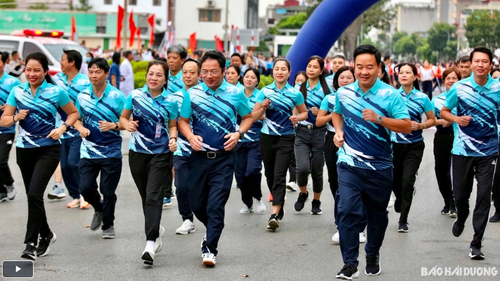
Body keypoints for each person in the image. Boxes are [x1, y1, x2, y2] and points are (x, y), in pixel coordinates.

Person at [332, 45, 411, 279]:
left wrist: (380, 119)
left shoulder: (390, 95)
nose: (364, 71)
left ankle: (372, 254)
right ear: (353, 67)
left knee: (377, 215)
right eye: (359, 67)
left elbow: (406, 125)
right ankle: (349, 263)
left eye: (369, 67)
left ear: (379, 68)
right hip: (349, 163)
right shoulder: (344, 92)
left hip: (380, 166)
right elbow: (337, 112)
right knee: (347, 210)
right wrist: (338, 131)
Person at [0, 52, 79, 260]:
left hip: (49, 148)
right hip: (24, 149)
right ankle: (46, 234)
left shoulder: (56, 92)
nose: (32, 74)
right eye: (28, 70)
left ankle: (30, 244)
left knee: (35, 195)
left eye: (37, 70)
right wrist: (16, 116)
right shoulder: (17, 92)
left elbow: (73, 113)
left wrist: (62, 128)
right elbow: (4, 120)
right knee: (33, 197)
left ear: (45, 71)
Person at [178, 50, 253, 267]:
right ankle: (211, 230)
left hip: (224, 158)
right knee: (196, 204)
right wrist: (190, 136)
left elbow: (247, 117)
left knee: (215, 205)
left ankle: (210, 248)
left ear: (223, 71)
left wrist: (239, 134)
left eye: (214, 71)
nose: (209, 75)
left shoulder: (235, 93)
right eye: (205, 72)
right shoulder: (192, 94)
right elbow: (183, 121)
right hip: (198, 157)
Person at [441, 46, 500, 260]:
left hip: (489, 151)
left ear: (490, 65)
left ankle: (476, 243)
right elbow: (444, 112)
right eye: (477, 61)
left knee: (484, 196)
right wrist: (457, 119)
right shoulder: (459, 87)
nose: (481, 65)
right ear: (472, 64)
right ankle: (461, 217)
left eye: (485, 61)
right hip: (462, 150)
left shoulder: (498, 89)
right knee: (461, 195)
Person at [119, 60, 178, 265]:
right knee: (146, 197)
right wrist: (129, 125)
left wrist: (173, 139)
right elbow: (122, 119)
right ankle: (156, 227)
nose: (154, 78)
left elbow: (172, 125)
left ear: (165, 79)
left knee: (153, 196)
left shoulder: (170, 100)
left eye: (159, 75)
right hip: (137, 153)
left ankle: (150, 243)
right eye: (151, 74)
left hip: (161, 153)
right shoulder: (135, 96)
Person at [253, 58, 308, 231]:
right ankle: (279, 201)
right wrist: (262, 108)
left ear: (289, 72)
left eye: (283, 69)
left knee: (279, 175)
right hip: (267, 136)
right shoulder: (264, 91)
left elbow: (304, 112)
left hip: (286, 137)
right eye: (277, 69)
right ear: (273, 71)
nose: (280, 72)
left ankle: (274, 213)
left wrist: (297, 118)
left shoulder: (295, 93)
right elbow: (253, 116)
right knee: (269, 174)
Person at [74, 58, 126, 240]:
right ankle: (98, 207)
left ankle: (108, 225)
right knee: (85, 188)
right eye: (91, 71)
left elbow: (128, 121)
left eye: (98, 72)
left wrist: (114, 126)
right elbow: (76, 117)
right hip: (88, 151)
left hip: (111, 151)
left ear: (106, 73)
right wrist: (80, 128)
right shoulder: (82, 96)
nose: (94, 75)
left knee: (108, 190)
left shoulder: (117, 97)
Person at [316, 66, 366, 244]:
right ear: (336, 80)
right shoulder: (330, 98)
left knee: (356, 183)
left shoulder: (361, 97)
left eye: (349, 77)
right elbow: (319, 120)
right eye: (341, 77)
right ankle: (341, 222)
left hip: (356, 139)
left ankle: (359, 226)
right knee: (336, 183)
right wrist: (334, 114)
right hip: (333, 139)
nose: (345, 80)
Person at [391, 62, 435, 233]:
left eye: (408, 72)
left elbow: (431, 119)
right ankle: (399, 196)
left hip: (414, 146)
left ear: (415, 76)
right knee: (395, 181)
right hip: (395, 144)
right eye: (401, 72)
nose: (404, 75)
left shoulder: (422, 98)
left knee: (407, 180)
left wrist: (421, 126)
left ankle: (403, 220)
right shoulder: (392, 95)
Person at [50, 50, 92, 209]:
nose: (60, 63)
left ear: (72, 62)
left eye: (62, 60)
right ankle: (75, 195)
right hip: (60, 129)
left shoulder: (85, 82)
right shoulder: (57, 80)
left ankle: (84, 194)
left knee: (74, 163)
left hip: (78, 129)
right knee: (65, 165)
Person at [293, 56, 331, 215]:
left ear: (321, 70)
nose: (311, 69)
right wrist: (294, 119)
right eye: (309, 66)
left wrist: (321, 112)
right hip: (301, 132)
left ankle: (316, 201)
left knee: (317, 170)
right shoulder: (299, 87)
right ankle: (303, 193)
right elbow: (294, 106)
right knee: (301, 168)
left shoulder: (327, 89)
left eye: (315, 67)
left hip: (320, 132)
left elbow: (334, 109)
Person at [172, 59, 199, 235]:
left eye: (192, 72)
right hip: (181, 147)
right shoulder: (174, 97)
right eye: (185, 72)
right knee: (180, 185)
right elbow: (171, 122)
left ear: (199, 75)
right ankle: (187, 219)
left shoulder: (206, 95)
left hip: (202, 148)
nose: (188, 76)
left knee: (199, 187)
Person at [235, 67, 266, 214]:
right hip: (238, 140)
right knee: (240, 176)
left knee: (252, 171)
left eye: (253, 77)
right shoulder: (236, 94)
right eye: (247, 76)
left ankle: (258, 198)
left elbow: (256, 117)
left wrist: (260, 112)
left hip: (255, 140)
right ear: (242, 79)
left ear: (257, 81)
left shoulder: (261, 96)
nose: (249, 79)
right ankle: (247, 203)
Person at [430, 67, 460, 218]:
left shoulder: (464, 98)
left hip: (459, 137)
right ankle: (447, 201)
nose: (451, 81)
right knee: (440, 170)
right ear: (443, 81)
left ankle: (454, 202)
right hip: (441, 137)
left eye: (454, 78)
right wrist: (441, 121)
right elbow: (429, 120)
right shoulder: (436, 100)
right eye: (448, 78)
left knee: (455, 171)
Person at [164, 45, 187, 208]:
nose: (171, 61)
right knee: (165, 157)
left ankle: (174, 189)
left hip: (182, 123)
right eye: (169, 57)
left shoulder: (185, 78)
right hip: (164, 121)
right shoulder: (163, 75)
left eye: (174, 58)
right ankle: (166, 191)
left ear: (182, 60)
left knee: (175, 157)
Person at [0, 52, 21, 202]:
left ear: (4, 63)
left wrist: (11, 107)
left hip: (6, 128)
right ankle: (1, 191)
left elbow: (23, 101)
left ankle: (9, 183)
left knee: (1, 161)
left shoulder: (12, 82)